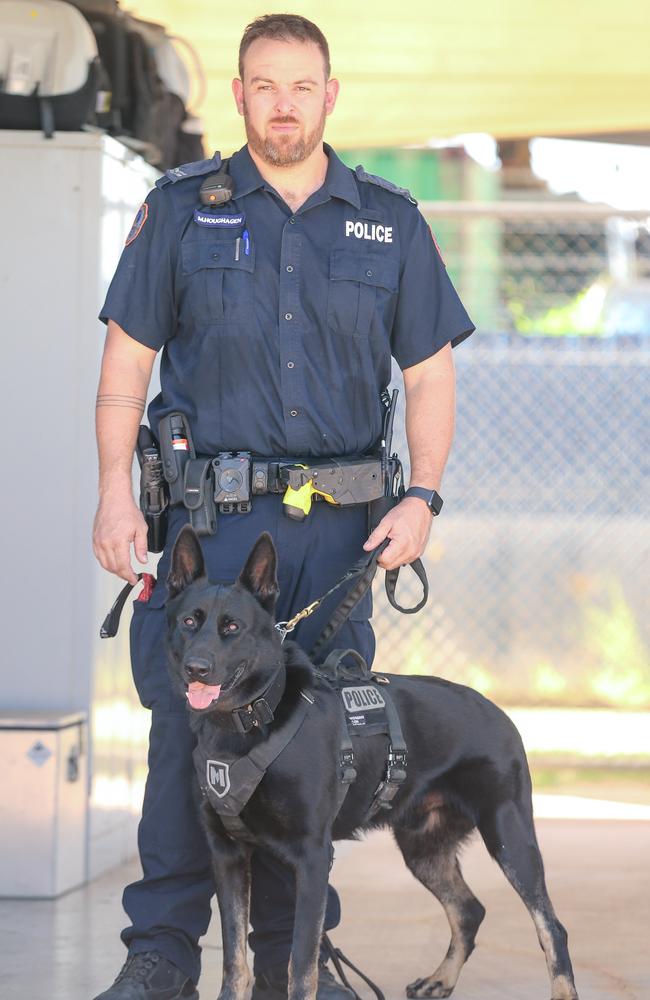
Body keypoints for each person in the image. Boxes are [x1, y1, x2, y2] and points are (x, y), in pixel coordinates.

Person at [91, 12, 475, 1000]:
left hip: (339, 540)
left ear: (329, 95)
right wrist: (111, 497)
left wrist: (423, 495)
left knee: (320, 746)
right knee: (190, 733)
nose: (283, 104)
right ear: (239, 94)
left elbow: (429, 375)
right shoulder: (182, 208)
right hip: (209, 539)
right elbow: (125, 369)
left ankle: (292, 963)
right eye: (264, 84)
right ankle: (162, 957)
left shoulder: (385, 221)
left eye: (301, 86)